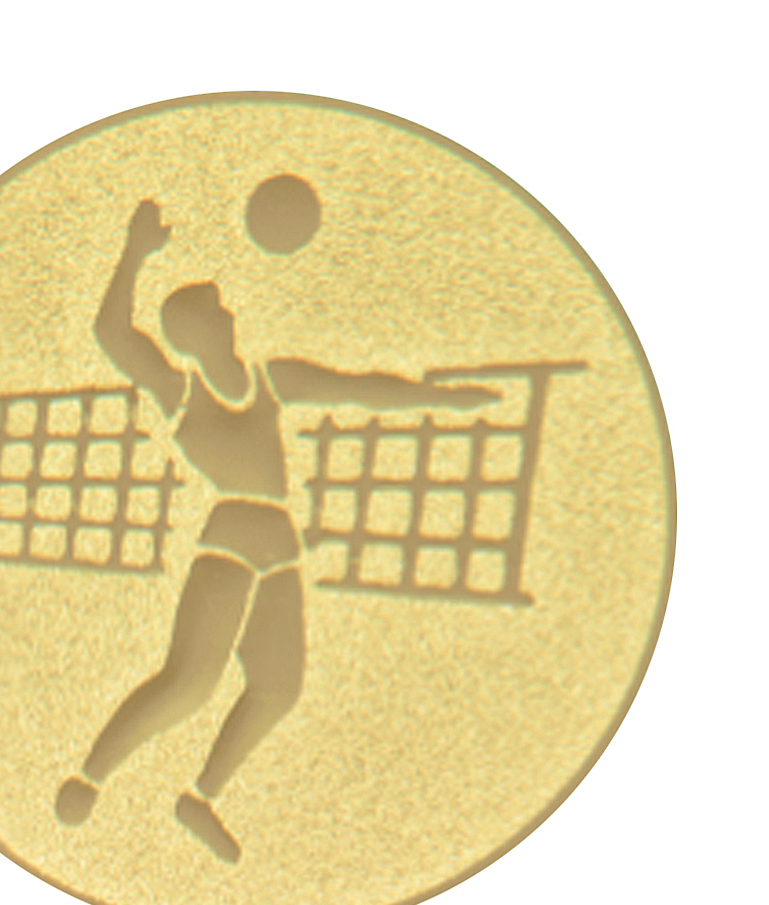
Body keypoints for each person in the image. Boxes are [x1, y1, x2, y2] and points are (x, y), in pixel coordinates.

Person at [55, 199, 494, 861]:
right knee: (190, 684)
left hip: (280, 547)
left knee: (278, 688)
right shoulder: (182, 392)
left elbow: (358, 388)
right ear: (195, 332)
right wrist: (134, 251)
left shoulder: (269, 378)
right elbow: (112, 334)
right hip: (231, 542)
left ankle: (200, 798)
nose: (231, 315)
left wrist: (440, 399)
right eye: (218, 310)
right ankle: (91, 776)